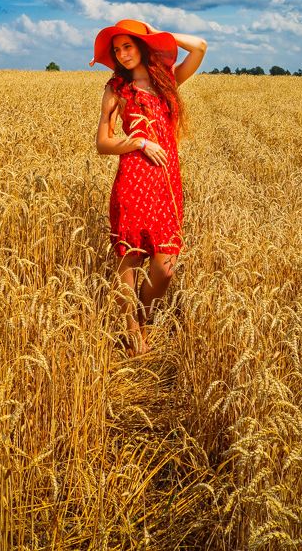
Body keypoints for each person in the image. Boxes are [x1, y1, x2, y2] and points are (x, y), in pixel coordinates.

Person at [91, 19, 207, 354]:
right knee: (130, 258)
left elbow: (199, 46)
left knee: (165, 267)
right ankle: (133, 331)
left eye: (128, 46)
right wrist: (138, 143)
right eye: (117, 50)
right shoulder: (116, 89)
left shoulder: (166, 81)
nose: (123, 54)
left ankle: (142, 314)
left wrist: (158, 34)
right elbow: (103, 143)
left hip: (167, 184)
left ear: (141, 46)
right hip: (133, 179)